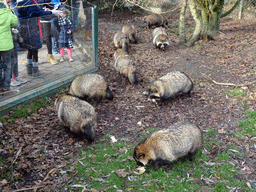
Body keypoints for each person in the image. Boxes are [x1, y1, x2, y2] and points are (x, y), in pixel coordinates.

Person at [16, 0, 63, 77]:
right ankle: (35, 71)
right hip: (32, 29)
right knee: (35, 51)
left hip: (24, 30)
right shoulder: (31, 3)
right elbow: (39, 12)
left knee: (29, 50)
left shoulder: (19, 4)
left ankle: (29, 70)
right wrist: (52, 12)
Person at [4, 0, 27, 86]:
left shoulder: (11, 10)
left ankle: (15, 76)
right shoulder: (4, 11)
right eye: (8, 2)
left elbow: (15, 22)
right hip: (6, 40)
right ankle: (9, 79)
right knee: (9, 61)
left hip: (13, 38)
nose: (10, 4)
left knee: (15, 58)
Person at [37, 0, 66, 64]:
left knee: (49, 36)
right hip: (40, 18)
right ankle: (31, 59)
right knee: (39, 37)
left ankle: (50, 55)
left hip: (48, 17)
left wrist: (60, 8)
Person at [0, 0, 18, 94]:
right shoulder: (6, 11)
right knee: (7, 65)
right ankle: (6, 86)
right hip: (6, 44)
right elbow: (14, 22)